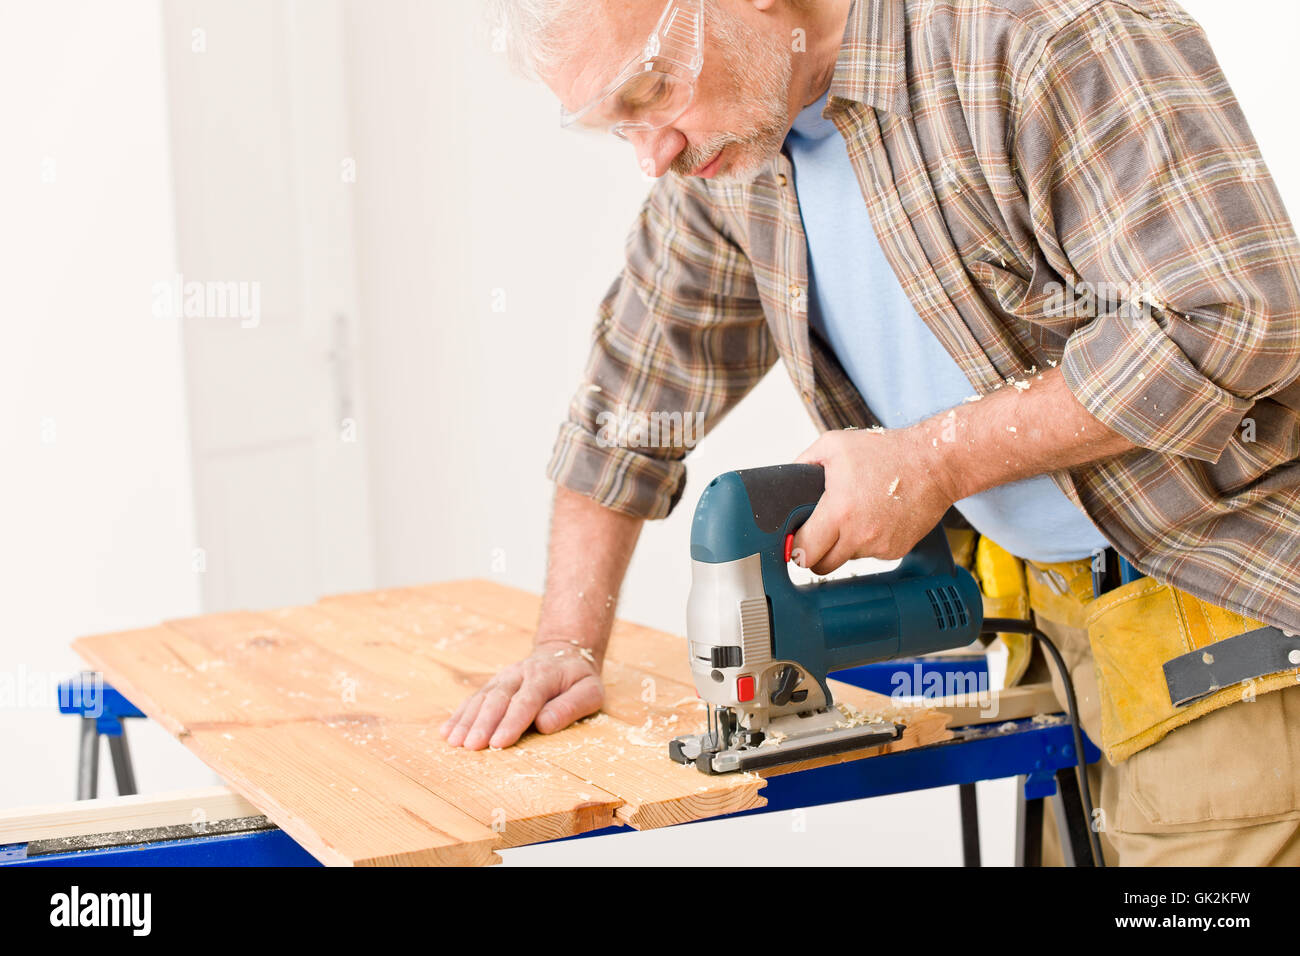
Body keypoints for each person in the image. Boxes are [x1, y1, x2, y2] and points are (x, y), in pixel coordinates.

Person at [444, 0, 1300, 865]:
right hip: (1055, 618)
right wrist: (566, 642)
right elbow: (629, 399)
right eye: (615, 124)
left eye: (652, 88)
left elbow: (1231, 316)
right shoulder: (736, 148)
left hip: (1228, 604)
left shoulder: (1038, 36)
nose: (650, 154)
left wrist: (932, 460)